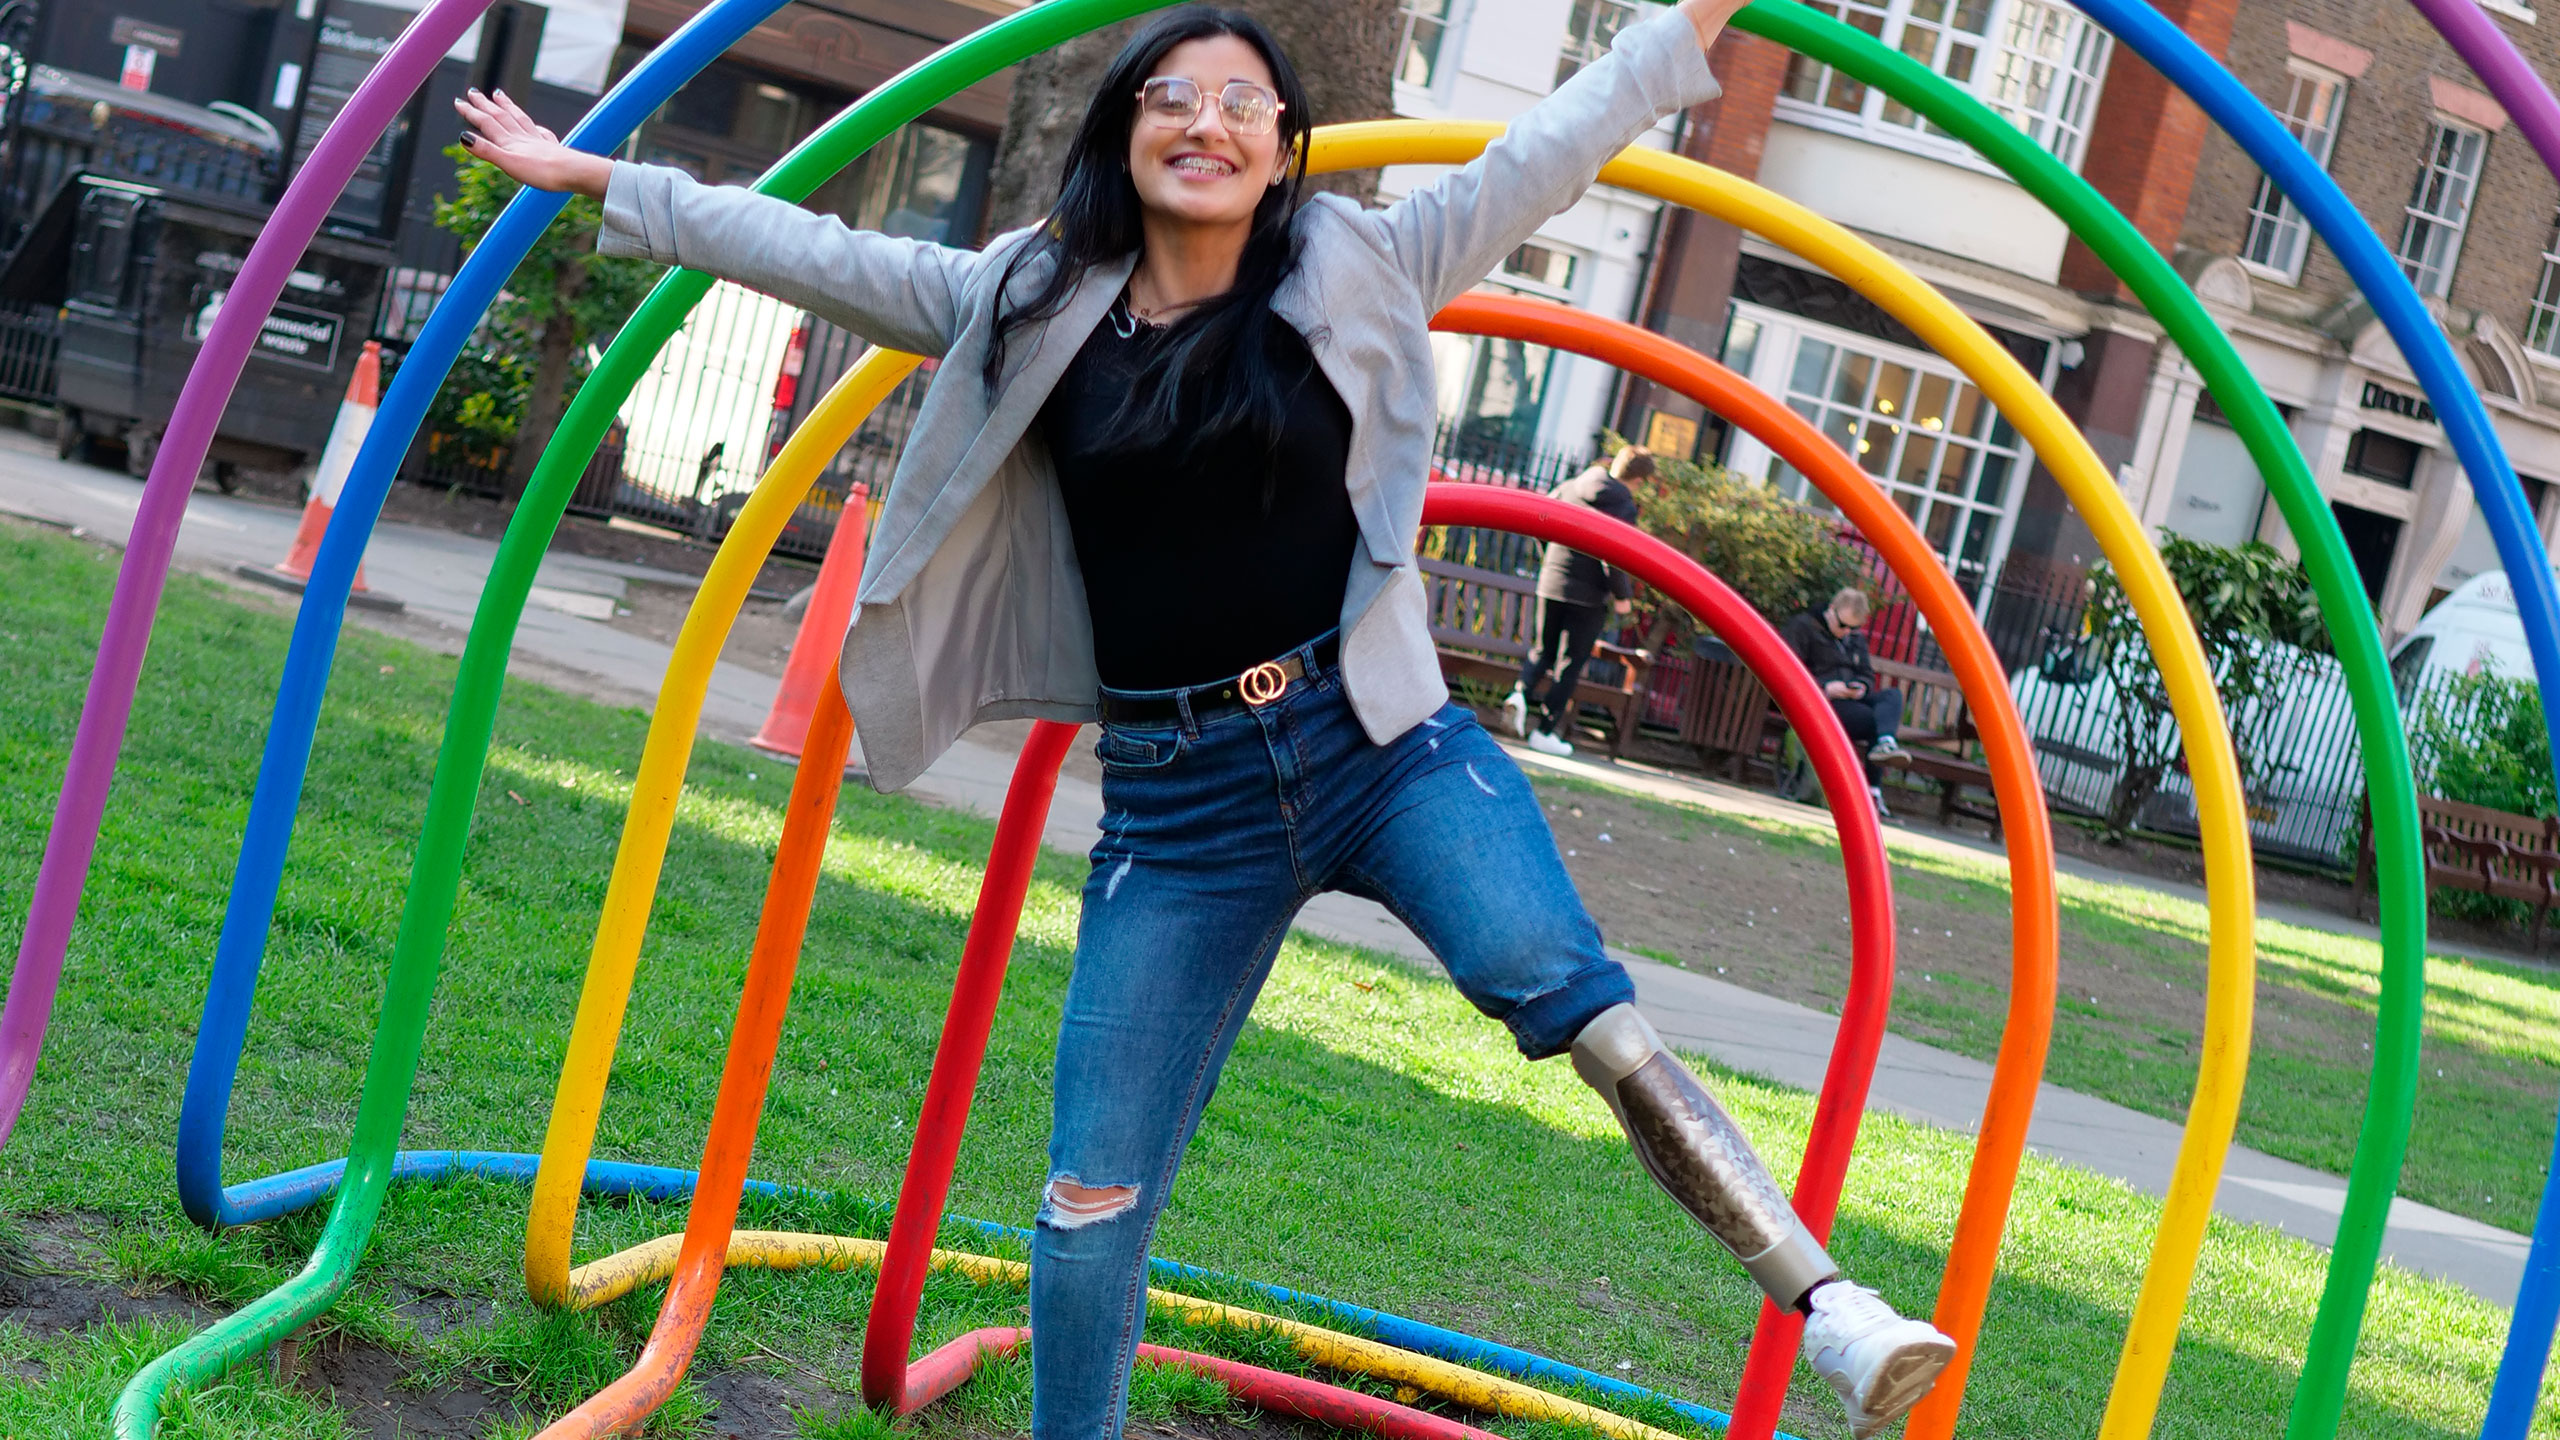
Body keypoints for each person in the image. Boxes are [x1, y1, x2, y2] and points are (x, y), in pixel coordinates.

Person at [455, 4, 1953, 1433]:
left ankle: (1830, 1309)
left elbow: (1549, 146)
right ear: (1123, 136)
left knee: (1559, 986)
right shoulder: (1025, 297)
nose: (1206, 122)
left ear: (1286, 146)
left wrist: (1696, 24)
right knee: (1087, 1197)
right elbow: (810, 249)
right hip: (1181, 802)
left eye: (1243, 101)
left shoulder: (1369, 260)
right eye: (1171, 96)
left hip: (1378, 745)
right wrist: (597, 177)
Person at [1507, 447, 1650, 756]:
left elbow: (1538, 520)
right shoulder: (1623, 504)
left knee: (1543, 650)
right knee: (1570, 663)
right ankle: (1544, 731)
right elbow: (1614, 554)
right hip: (1587, 595)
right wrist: (1623, 597)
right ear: (1637, 480)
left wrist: (1550, 560)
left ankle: (1519, 695)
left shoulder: (1570, 486)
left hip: (1551, 582)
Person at [1782, 588, 1904, 814]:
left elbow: (1866, 674)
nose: (1847, 631)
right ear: (1831, 610)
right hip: (1821, 705)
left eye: (1853, 628)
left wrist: (1861, 687)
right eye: (1843, 625)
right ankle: (1874, 791)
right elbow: (1789, 673)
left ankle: (1886, 742)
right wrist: (1826, 688)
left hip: (1851, 701)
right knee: (1875, 721)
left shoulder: (1853, 638)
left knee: (1892, 697)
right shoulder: (1803, 628)